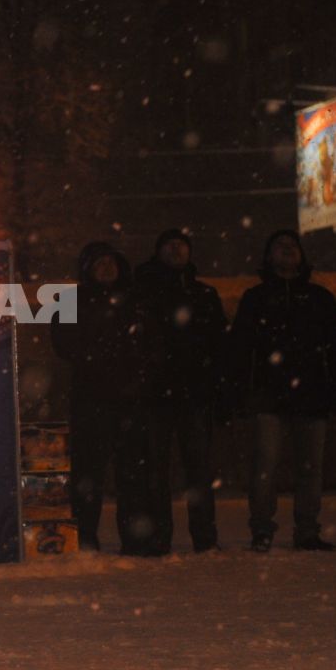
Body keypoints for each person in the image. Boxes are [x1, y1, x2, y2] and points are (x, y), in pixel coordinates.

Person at [223, 229, 336, 551]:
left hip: (310, 393)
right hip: (270, 394)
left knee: (306, 468)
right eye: (279, 246)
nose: (287, 250)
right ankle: (265, 529)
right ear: (268, 256)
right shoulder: (258, 297)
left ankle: (304, 530)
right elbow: (239, 348)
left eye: (292, 246)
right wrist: (239, 390)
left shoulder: (318, 297)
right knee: (267, 466)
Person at [51, 241, 155, 554]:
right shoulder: (70, 301)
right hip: (91, 399)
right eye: (99, 264)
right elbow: (64, 344)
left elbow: (153, 345)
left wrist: (136, 378)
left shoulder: (136, 301)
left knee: (132, 474)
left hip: (130, 400)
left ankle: (136, 539)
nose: (107, 268)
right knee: (87, 475)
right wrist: (100, 360)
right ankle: (85, 538)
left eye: (111, 262)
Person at [134, 228, 226, 552]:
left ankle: (202, 536)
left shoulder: (202, 295)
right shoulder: (145, 293)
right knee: (162, 470)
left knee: (195, 469)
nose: (176, 250)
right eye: (169, 245)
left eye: (180, 245)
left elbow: (217, 344)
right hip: (159, 395)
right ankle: (164, 536)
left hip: (192, 394)